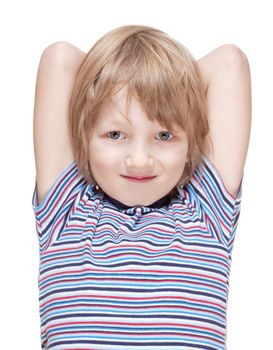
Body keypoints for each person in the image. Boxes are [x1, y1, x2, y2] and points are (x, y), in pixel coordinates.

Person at [32, 25, 251, 350]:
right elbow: (59, 60)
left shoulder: (206, 213)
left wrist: (167, 84)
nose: (139, 160)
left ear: (191, 139)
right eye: (115, 135)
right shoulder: (67, 212)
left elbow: (229, 63)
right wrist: (120, 75)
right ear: (83, 137)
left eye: (164, 136)